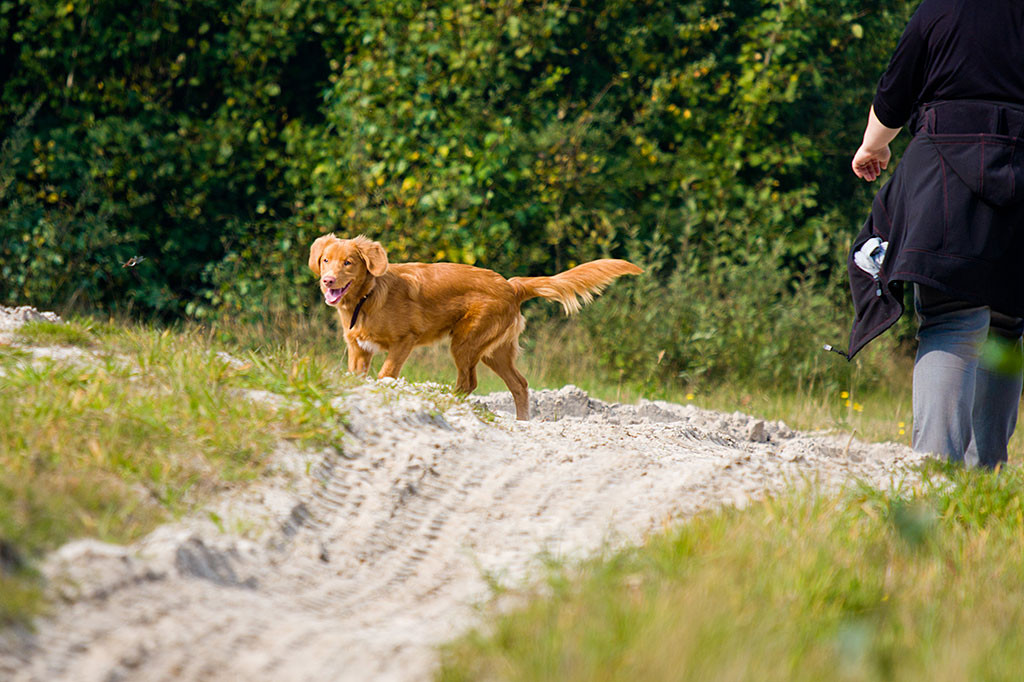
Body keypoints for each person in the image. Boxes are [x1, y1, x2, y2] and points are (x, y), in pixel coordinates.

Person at [846, 0, 1024, 468]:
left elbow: (895, 93)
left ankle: (935, 474)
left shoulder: (940, 10)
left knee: (952, 318)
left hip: (947, 168)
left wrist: (873, 146)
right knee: (1006, 325)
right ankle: (985, 477)